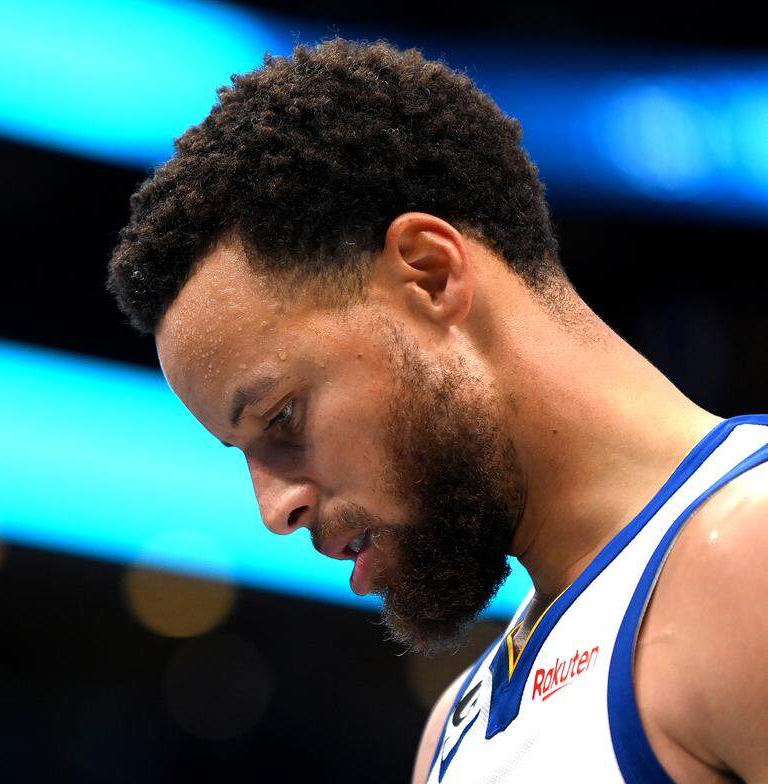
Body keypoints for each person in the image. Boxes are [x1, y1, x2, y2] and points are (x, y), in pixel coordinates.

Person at [106, 38, 767, 783]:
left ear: (428, 273)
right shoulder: (455, 731)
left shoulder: (749, 555)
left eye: (282, 417)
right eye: (245, 454)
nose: (274, 508)